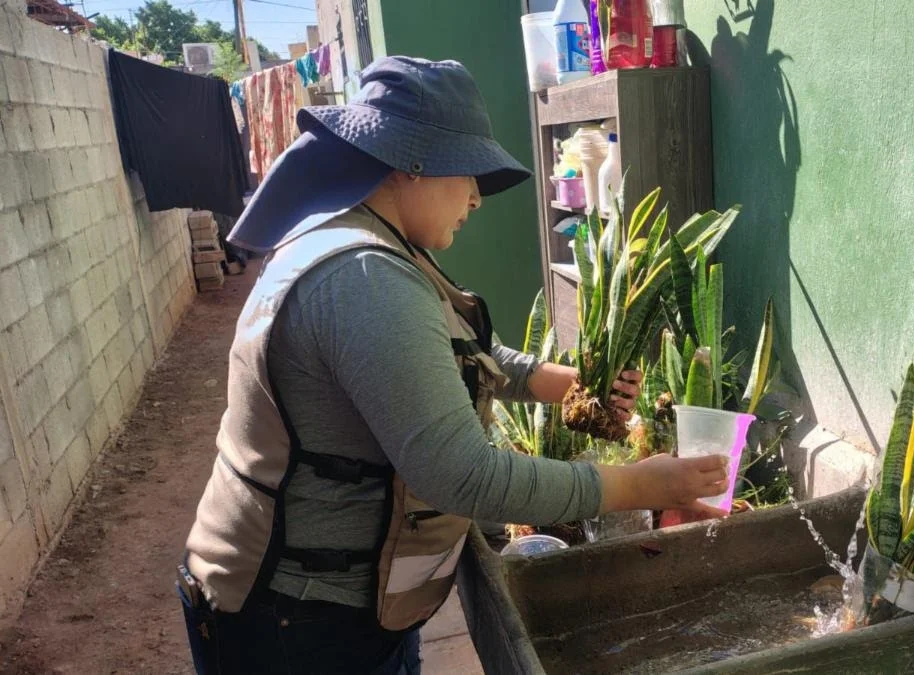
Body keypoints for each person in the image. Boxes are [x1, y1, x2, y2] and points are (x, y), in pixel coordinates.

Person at [177, 55, 728, 674]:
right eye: (467, 172)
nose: (476, 197)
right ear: (408, 164)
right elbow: (462, 476)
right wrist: (641, 485)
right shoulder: (365, 277)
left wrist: (569, 386)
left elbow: (460, 353)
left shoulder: (373, 244)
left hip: (333, 608)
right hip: (296, 623)